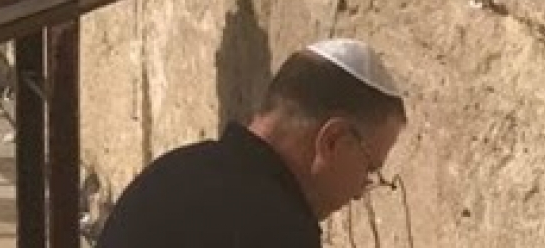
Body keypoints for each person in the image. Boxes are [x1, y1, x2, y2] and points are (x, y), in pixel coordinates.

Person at [97, 39, 408, 248]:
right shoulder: (280, 232)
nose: (359, 192)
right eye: (369, 167)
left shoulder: (174, 169)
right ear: (333, 141)